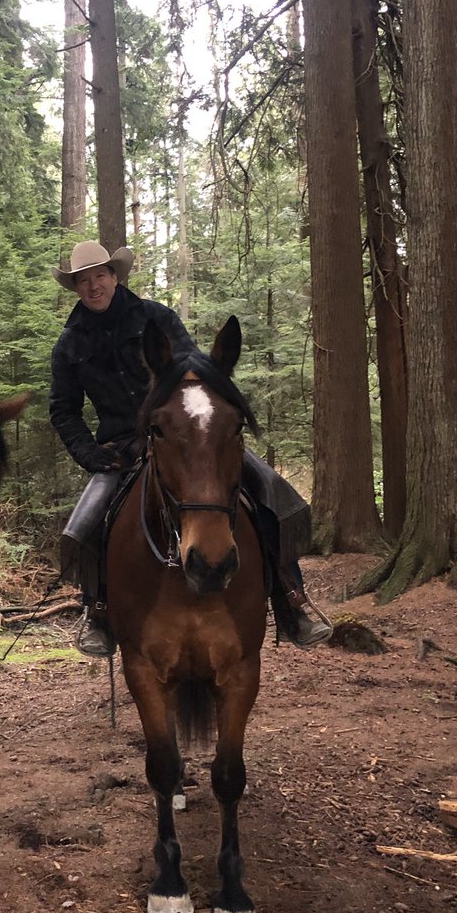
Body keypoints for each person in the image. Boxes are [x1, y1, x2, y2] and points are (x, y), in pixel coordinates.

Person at [49, 239, 332, 658]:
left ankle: (292, 598)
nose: (94, 286)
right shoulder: (69, 345)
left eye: (100, 276)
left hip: (183, 435)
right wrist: (90, 455)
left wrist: (194, 427)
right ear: (76, 287)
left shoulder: (155, 317)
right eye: (84, 281)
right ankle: (100, 611)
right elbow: (64, 410)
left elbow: (193, 368)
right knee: (86, 525)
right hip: (119, 448)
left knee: (268, 490)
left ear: (114, 276)